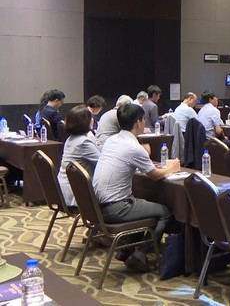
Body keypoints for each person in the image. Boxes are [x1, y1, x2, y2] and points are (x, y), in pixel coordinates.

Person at [92, 103, 180, 272]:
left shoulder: (112, 140)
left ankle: (127, 249)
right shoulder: (133, 147)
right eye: (144, 119)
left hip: (98, 207)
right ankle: (139, 254)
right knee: (165, 212)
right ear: (138, 122)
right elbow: (156, 175)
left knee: (142, 203)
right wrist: (172, 167)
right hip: (116, 208)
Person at [57, 105, 100, 207]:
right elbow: (103, 163)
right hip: (75, 193)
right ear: (86, 122)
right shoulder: (83, 142)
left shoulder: (70, 139)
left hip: (63, 189)